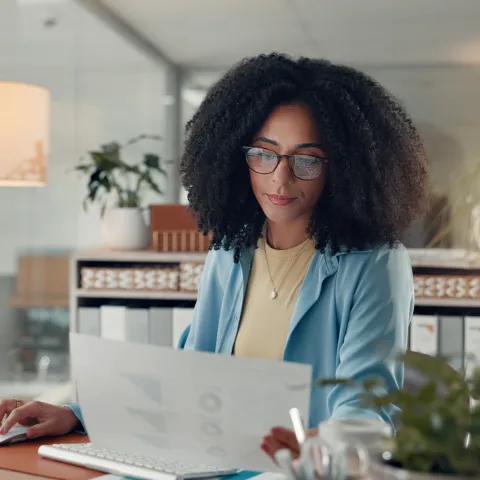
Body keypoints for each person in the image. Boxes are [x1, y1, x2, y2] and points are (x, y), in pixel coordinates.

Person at [0, 53, 427, 462]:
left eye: (307, 160)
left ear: (345, 168)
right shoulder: (231, 251)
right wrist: (75, 412)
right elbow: (187, 375)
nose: (280, 178)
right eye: (264, 153)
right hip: (214, 462)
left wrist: (320, 445)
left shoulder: (375, 264)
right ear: (236, 157)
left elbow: (368, 410)